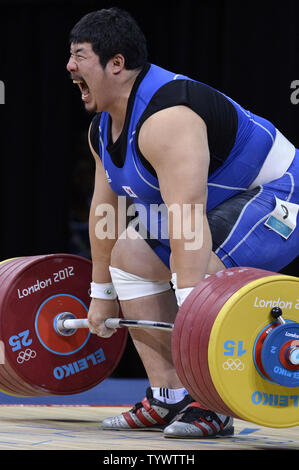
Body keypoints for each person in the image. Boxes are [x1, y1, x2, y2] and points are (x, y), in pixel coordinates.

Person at [66, 7, 299, 438]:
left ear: (116, 64)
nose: (70, 66)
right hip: (217, 206)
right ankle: (167, 397)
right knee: (130, 253)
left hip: (281, 196)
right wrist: (101, 295)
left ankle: (211, 403)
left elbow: (187, 222)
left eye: (80, 55)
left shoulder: (168, 117)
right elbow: (104, 214)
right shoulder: (102, 130)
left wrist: (195, 315)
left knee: (193, 266)